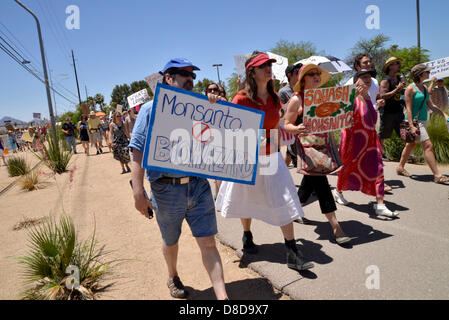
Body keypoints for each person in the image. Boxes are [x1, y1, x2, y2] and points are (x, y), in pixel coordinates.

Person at [129, 58, 228, 300]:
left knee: (208, 243)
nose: (190, 80)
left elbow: (221, 138)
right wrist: (138, 192)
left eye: (192, 76)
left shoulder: (203, 106)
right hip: (165, 190)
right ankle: (172, 276)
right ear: (168, 79)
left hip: (198, 186)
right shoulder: (150, 110)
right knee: (170, 241)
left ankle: (222, 297)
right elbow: (137, 149)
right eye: (184, 74)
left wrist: (218, 108)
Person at [215, 51, 314, 271]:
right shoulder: (240, 98)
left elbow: (278, 125)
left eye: (269, 65)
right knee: (245, 200)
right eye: (263, 66)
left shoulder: (275, 98)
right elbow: (230, 129)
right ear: (252, 71)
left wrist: (291, 129)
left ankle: (291, 250)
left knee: (284, 198)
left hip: (271, 157)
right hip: (248, 159)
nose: (268, 68)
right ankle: (247, 235)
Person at [284, 63, 350, 245]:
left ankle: (294, 209)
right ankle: (336, 226)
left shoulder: (324, 96)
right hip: (308, 148)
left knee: (310, 181)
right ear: (303, 79)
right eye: (311, 74)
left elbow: (339, 111)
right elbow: (285, 124)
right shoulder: (297, 99)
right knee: (321, 183)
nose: (316, 77)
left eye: (317, 74)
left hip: (325, 145)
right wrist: (296, 128)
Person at [333, 69, 398, 217]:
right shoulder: (349, 97)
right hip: (352, 141)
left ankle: (380, 203)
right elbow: (339, 116)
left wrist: (376, 106)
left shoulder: (369, 97)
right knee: (346, 168)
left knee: (378, 168)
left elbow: (367, 117)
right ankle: (338, 191)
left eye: (369, 77)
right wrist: (351, 99)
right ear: (356, 82)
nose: (368, 79)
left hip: (370, 143)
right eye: (364, 77)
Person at [396, 64, 449, 184]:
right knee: (428, 145)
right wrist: (411, 126)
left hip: (423, 120)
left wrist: (444, 115)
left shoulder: (424, 88)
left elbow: (431, 105)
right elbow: (408, 109)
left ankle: (400, 167)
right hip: (414, 122)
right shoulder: (411, 88)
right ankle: (437, 175)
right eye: (426, 72)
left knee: (410, 145)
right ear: (420, 74)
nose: (429, 73)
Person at [279, 63, 303, 168]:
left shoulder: (304, 88)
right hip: (292, 129)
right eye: (297, 72)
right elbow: (281, 114)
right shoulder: (283, 92)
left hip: (304, 128)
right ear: (289, 75)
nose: (299, 74)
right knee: (299, 159)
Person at [205, 82, 226, 199]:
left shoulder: (223, 102)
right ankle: (220, 197)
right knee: (217, 172)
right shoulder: (202, 103)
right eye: (210, 90)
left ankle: (219, 195)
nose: (212, 92)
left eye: (215, 89)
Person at [378, 57, 406, 143]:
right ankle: (379, 155)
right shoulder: (386, 80)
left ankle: (407, 154)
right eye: (397, 63)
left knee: (404, 134)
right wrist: (397, 89)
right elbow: (382, 96)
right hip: (388, 113)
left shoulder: (399, 78)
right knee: (383, 135)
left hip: (399, 112)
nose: (399, 65)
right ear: (390, 67)